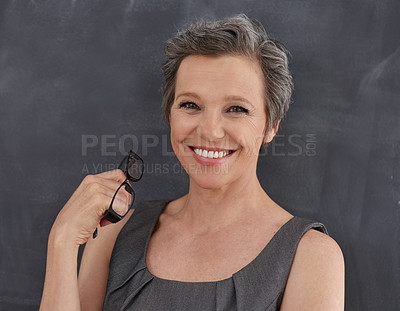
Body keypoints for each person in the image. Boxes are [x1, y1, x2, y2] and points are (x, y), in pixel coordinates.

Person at [40, 14, 344, 310]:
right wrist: (62, 241)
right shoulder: (112, 235)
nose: (210, 130)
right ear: (170, 115)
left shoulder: (312, 257)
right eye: (190, 105)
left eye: (236, 109)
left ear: (271, 126)